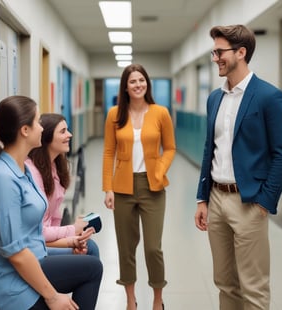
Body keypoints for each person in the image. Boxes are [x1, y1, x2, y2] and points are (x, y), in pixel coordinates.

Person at [194, 25, 282, 310]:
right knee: (225, 284)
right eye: (214, 52)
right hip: (216, 198)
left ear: (241, 52)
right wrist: (202, 198)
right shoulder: (215, 97)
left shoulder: (268, 97)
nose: (215, 58)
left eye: (219, 52)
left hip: (249, 202)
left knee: (253, 288)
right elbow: (208, 149)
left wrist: (264, 201)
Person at [0, 95, 103, 310]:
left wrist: (72, 242)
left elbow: (32, 237)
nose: (42, 128)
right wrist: (52, 297)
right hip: (6, 284)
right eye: (38, 122)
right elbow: (15, 253)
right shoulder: (1, 178)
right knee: (92, 270)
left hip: (28, 262)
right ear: (25, 130)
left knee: (91, 264)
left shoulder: (22, 169)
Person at [102, 64, 176, 310]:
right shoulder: (114, 114)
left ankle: (157, 299)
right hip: (122, 187)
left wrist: (160, 169)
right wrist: (108, 188)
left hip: (152, 186)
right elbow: (109, 151)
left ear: (147, 84)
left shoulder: (160, 113)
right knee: (126, 246)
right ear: (125, 86)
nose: (138, 85)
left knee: (153, 247)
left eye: (142, 80)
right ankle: (130, 299)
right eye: (133, 81)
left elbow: (170, 148)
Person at [26, 113, 99, 258]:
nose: (70, 135)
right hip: (34, 248)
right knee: (90, 252)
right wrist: (72, 231)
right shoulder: (33, 174)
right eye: (63, 131)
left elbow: (51, 227)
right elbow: (39, 233)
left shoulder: (55, 167)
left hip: (45, 241)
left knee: (88, 247)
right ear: (47, 137)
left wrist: (73, 239)